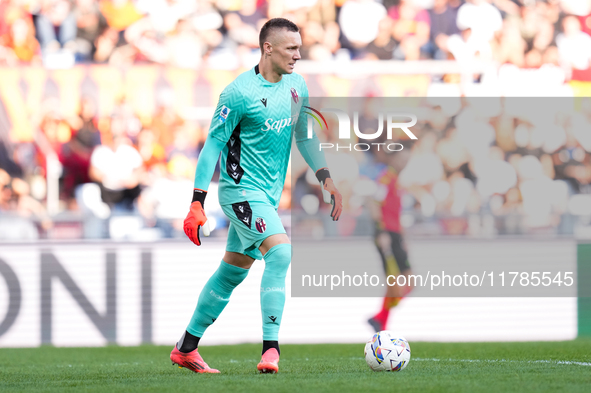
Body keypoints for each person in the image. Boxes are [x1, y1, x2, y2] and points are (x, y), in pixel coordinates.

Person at [170, 18, 343, 374]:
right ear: (268, 48)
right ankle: (271, 350)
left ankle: (186, 347)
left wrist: (325, 177)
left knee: (231, 273)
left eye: (299, 47)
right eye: (291, 48)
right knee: (280, 252)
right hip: (239, 192)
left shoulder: (297, 86)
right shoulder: (238, 93)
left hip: (267, 195)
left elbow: (305, 136)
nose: (298, 55)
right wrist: (197, 202)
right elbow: (212, 147)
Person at [367, 146, 413, 333]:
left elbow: (395, 211)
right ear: (393, 159)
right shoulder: (386, 178)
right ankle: (381, 323)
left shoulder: (396, 180)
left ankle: (379, 319)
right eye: (401, 159)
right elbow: (373, 203)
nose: (404, 163)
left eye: (406, 160)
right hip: (386, 232)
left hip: (395, 234)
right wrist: (381, 231)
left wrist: (402, 236)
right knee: (396, 283)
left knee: (406, 283)